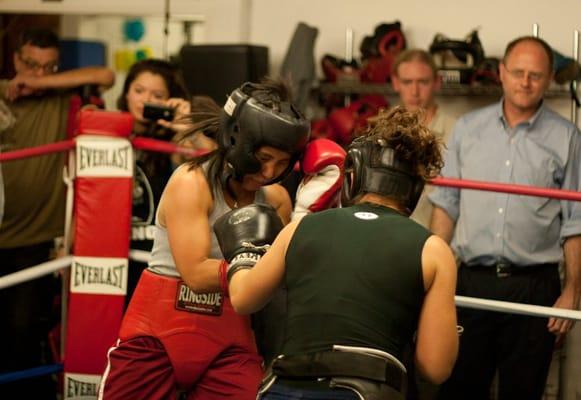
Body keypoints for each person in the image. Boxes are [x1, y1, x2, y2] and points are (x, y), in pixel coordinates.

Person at [221, 106, 459, 400]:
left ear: (353, 175)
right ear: (415, 188)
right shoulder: (433, 250)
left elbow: (243, 298)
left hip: (284, 389)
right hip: (368, 389)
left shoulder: (301, 227)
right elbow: (435, 368)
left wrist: (245, 251)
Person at [98, 78, 311, 400]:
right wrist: (257, 269)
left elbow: (284, 277)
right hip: (157, 332)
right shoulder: (192, 183)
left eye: (282, 163)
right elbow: (196, 274)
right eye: (264, 157)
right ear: (237, 141)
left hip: (229, 339)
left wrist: (315, 213)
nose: (269, 172)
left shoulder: (276, 200)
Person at [429, 36, 581, 400]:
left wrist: (572, 291)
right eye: (517, 73)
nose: (525, 82)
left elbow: (576, 219)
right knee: (458, 390)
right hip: (470, 284)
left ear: (548, 80)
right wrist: (435, 280)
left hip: (534, 289)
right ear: (501, 73)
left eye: (535, 75)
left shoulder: (568, 137)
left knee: (524, 392)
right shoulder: (468, 129)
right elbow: (447, 203)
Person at [0, 27, 114, 398]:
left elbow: (105, 76)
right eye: (31, 64)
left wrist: (44, 82)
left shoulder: (59, 92)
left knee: (21, 336)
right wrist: (18, 84)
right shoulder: (4, 92)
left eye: (48, 67)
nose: (38, 73)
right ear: (15, 59)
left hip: (33, 238)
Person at [117, 58, 192, 305]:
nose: (145, 100)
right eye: (138, 91)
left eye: (157, 95)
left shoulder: (172, 140)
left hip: (160, 259)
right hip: (115, 255)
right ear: (126, 92)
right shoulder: (109, 132)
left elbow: (197, 163)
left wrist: (182, 126)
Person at [391, 49, 456, 228]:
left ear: (437, 82)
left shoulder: (458, 131)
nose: (415, 91)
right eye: (407, 82)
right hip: (392, 237)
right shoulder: (383, 131)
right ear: (395, 83)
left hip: (438, 239)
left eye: (423, 82)